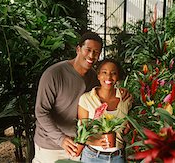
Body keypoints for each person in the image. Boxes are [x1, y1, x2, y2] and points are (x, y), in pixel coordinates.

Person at [33, 32, 129, 163]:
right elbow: (41, 112)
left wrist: (121, 91)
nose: (91, 55)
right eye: (88, 50)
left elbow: (106, 91)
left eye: (96, 52)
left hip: (80, 146)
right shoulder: (54, 74)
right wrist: (60, 139)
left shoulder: (94, 78)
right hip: (51, 146)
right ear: (78, 49)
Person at [77, 59, 132, 163]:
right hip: (92, 157)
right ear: (98, 75)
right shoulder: (86, 99)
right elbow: (82, 132)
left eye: (113, 73)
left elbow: (127, 127)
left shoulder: (126, 99)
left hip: (117, 157)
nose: (109, 77)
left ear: (118, 77)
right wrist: (97, 142)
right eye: (104, 72)